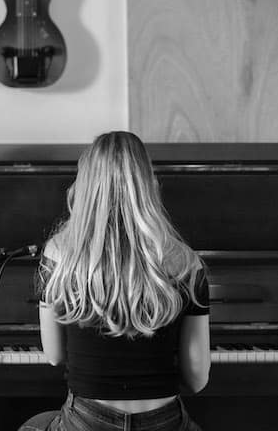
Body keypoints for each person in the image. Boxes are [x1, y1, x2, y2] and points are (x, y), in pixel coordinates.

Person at [20, 131, 210, 431]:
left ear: (86, 185)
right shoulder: (186, 262)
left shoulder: (59, 255)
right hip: (164, 421)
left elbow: (55, 356)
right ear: (148, 184)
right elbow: (197, 379)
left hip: (87, 420)